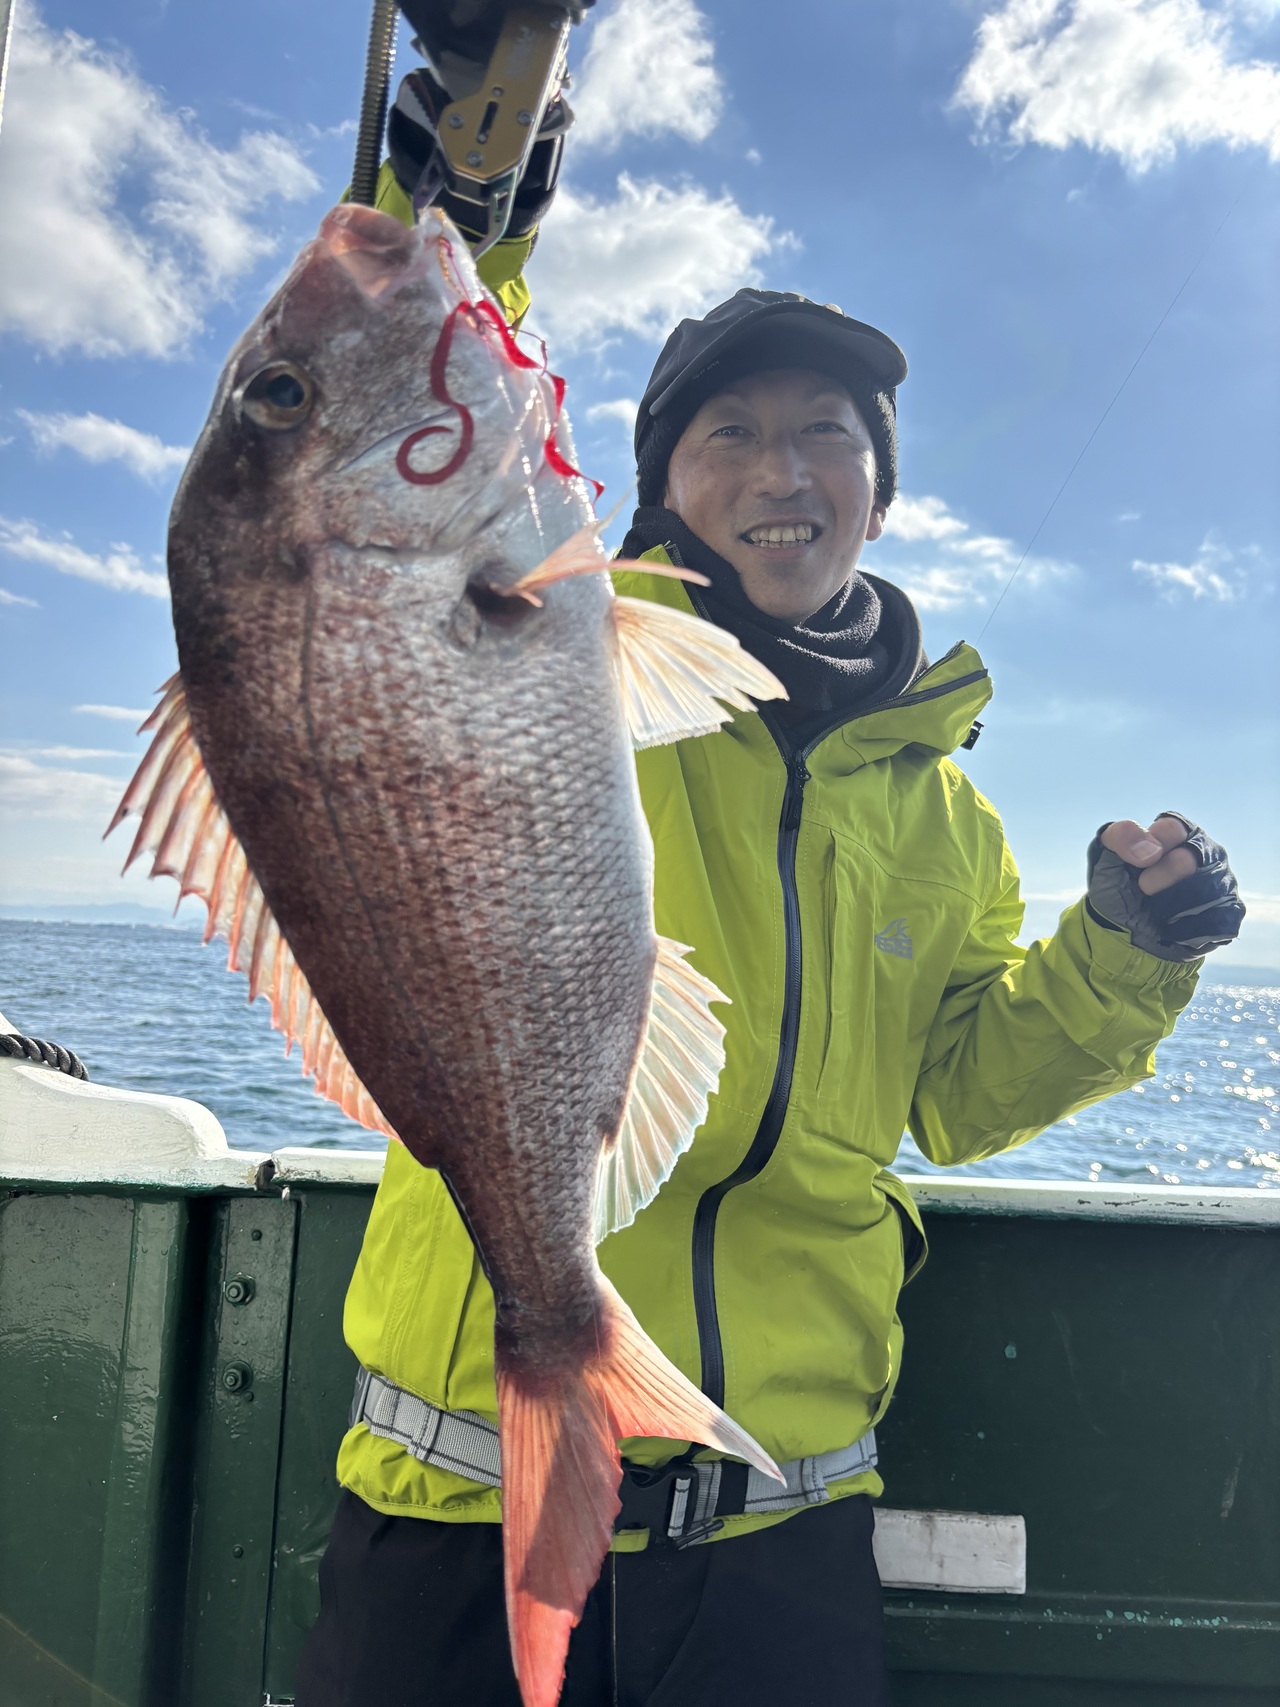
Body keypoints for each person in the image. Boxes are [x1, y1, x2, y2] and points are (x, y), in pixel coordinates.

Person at [297, 8, 1245, 1704]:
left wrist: (1126, 951)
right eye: (727, 434)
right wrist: (465, 187)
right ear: (655, 486)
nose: (781, 472)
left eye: (827, 434)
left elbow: (960, 1095)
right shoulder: (558, 645)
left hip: (777, 1533)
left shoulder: (943, 810)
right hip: (461, 1506)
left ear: (881, 491)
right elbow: (407, 418)